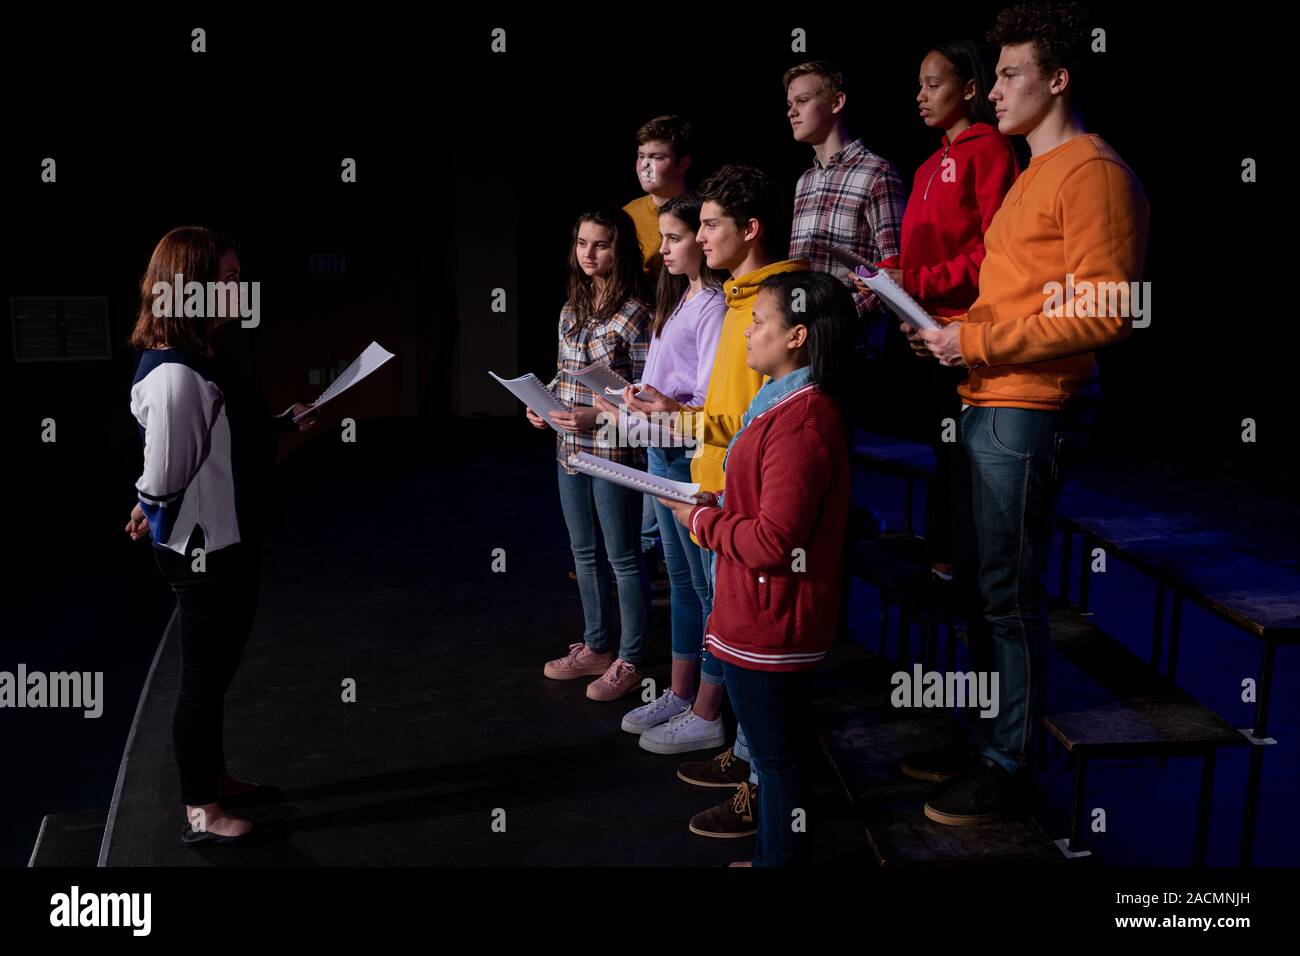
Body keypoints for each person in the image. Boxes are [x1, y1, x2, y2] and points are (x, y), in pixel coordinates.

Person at [902, 0, 1150, 825]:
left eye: (1009, 75)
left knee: (1007, 593)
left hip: (1031, 408)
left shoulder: (1094, 172)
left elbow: (1108, 311)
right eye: (997, 74)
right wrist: (956, 333)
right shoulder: (1030, 174)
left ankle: (1011, 760)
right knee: (978, 588)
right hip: (986, 396)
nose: (994, 90)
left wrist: (975, 342)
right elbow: (1018, 299)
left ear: (1058, 77)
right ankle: (984, 734)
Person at [625, 164, 808, 838]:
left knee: (751, 652)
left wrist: (679, 424)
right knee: (722, 630)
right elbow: (721, 411)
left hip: (737, 501)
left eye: (707, 225)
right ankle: (747, 759)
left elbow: (747, 419)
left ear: (749, 229)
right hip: (708, 485)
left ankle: (765, 789)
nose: (697, 240)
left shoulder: (776, 302)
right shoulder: (737, 299)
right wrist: (674, 418)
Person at [125, 225, 319, 846]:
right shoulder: (176, 373)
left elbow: (225, 426)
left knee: (217, 673)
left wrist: (282, 423)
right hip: (203, 550)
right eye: (229, 281)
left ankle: (215, 775)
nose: (240, 291)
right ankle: (200, 810)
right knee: (202, 680)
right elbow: (163, 473)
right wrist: (146, 504)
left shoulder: (206, 351)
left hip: (231, 534)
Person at [657, 270, 853, 866]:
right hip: (756, 609)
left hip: (773, 621)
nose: (748, 334)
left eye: (760, 322)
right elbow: (763, 509)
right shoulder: (781, 408)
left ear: (797, 336)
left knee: (778, 764)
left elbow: (775, 540)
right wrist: (716, 505)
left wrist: (702, 524)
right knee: (776, 760)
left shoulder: (801, 422)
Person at [858, 39, 1019, 607]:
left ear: (970, 90)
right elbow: (920, 262)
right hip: (926, 334)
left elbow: (997, 254)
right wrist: (894, 289)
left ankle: (973, 582)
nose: (921, 96)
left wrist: (917, 287)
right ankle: (944, 566)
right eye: (920, 85)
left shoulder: (991, 150)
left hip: (972, 337)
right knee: (943, 450)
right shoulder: (926, 165)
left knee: (968, 460)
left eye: (934, 84)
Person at [593, 194, 726, 742]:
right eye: (663, 238)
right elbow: (664, 385)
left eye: (675, 237)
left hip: (686, 452)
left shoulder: (714, 304)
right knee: (680, 581)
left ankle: (708, 711)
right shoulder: (676, 298)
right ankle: (679, 691)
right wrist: (626, 402)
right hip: (658, 444)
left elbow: (707, 399)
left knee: (703, 583)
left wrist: (661, 409)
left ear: (703, 238)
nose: (663, 248)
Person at [528, 208, 652, 702]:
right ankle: (597, 646)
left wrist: (594, 419)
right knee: (584, 554)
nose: (589, 253)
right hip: (569, 450)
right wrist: (541, 406)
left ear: (618, 250)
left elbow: (645, 396)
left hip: (614, 450)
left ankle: (631, 657)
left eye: (600, 244)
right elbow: (563, 376)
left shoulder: (636, 313)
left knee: (624, 557)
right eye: (582, 243)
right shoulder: (570, 309)